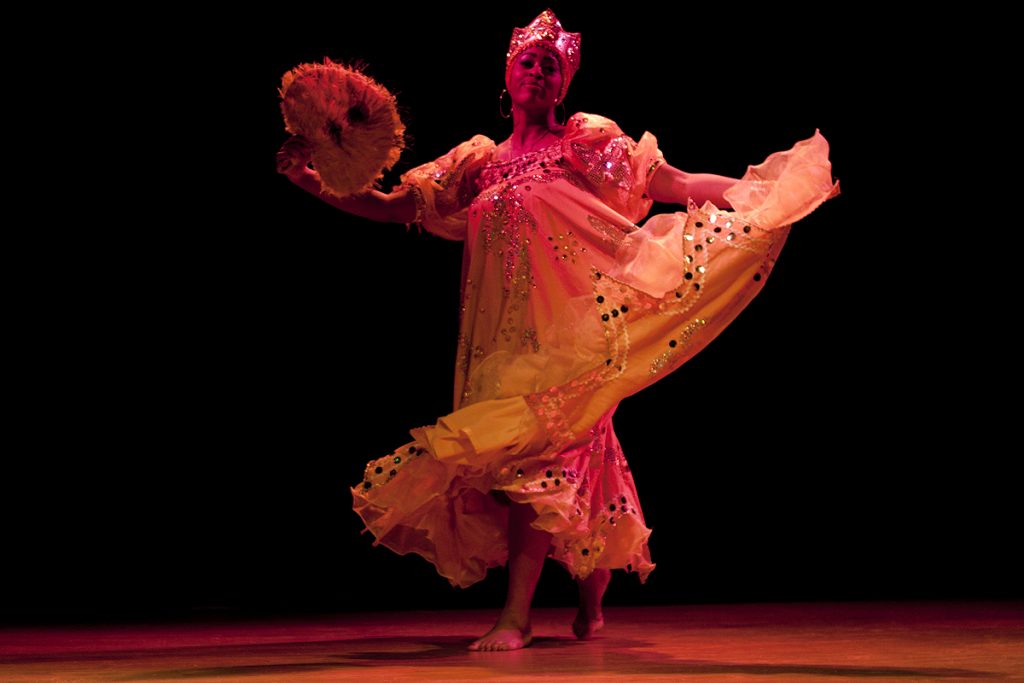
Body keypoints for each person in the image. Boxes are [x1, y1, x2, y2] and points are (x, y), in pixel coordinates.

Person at [276, 10, 836, 652]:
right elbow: (394, 206)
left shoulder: (585, 140)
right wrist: (310, 181)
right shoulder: (476, 162)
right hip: (502, 341)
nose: (538, 69)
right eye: (528, 59)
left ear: (563, 84)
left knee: (545, 460)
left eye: (552, 63)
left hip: (576, 332)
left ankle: (517, 615)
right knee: (550, 466)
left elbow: (670, 182)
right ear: (508, 73)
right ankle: (589, 599)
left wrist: (759, 195)